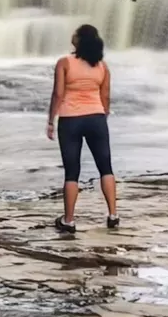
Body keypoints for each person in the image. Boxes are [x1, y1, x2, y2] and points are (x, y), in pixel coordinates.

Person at [46, 24, 118, 234]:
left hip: (70, 119)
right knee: (105, 166)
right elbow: (105, 97)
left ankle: (69, 220)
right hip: (96, 118)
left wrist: (51, 120)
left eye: (75, 33)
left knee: (72, 172)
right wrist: (101, 116)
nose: (72, 35)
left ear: (79, 40)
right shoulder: (102, 67)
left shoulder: (64, 63)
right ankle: (113, 215)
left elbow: (58, 94)